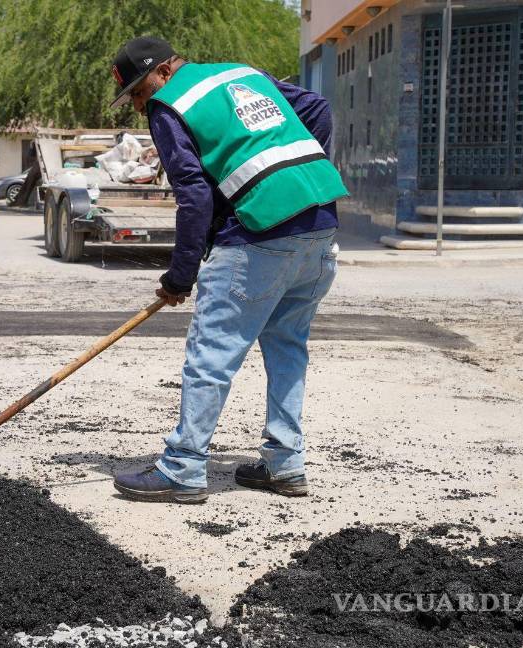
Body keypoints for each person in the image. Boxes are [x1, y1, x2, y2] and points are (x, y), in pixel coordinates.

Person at [109, 36, 348, 504]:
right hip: (320, 224)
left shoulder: (168, 105)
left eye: (138, 93)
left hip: (260, 236)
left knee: (210, 357)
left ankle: (182, 468)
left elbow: (194, 196)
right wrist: (294, 177)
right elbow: (317, 107)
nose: (139, 107)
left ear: (161, 73)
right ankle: (285, 464)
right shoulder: (242, 74)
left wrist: (180, 276)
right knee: (287, 348)